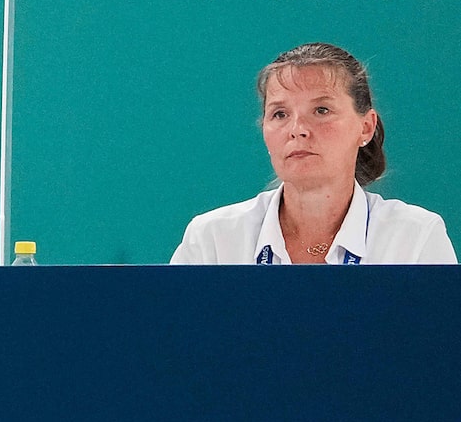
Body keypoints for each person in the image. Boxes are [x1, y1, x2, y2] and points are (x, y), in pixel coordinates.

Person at [172, 44, 452, 264]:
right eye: (280, 114)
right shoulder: (213, 239)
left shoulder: (415, 237)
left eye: (321, 110)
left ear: (366, 128)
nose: (298, 130)